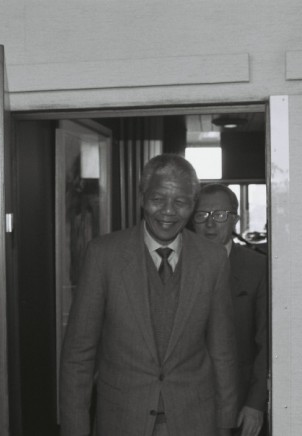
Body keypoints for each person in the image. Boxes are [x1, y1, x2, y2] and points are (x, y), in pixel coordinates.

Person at [60, 154, 239, 436]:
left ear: (192, 206)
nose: (167, 212)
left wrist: (226, 423)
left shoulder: (213, 259)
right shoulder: (103, 255)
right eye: (158, 199)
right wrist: (74, 429)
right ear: (142, 197)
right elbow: (79, 355)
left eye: (180, 202)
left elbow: (222, 351)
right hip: (122, 419)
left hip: (195, 420)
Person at [193, 184, 269, 436]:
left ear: (235, 219)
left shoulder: (257, 267)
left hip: (240, 401)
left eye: (220, 215)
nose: (210, 224)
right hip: (185, 401)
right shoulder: (174, 265)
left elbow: (266, 342)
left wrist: (256, 403)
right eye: (202, 215)